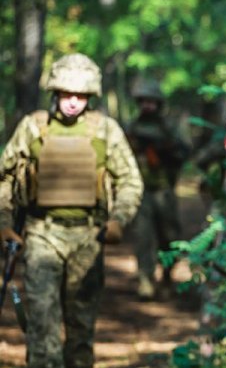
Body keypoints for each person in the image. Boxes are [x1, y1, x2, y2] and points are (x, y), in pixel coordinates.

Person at [0, 53, 143, 368]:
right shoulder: (33, 127)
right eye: (67, 94)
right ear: (55, 93)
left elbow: (130, 180)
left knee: (81, 328)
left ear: (90, 97)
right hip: (41, 234)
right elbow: (5, 178)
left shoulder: (106, 130)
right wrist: (5, 224)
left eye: (81, 95)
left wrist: (119, 220)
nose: (73, 102)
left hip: (88, 237)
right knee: (42, 324)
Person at [126, 78, 190, 300]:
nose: (147, 106)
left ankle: (167, 277)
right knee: (143, 236)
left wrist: (165, 150)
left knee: (168, 236)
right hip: (141, 190)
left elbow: (184, 153)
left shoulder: (170, 128)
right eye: (143, 101)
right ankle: (145, 279)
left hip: (164, 190)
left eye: (151, 102)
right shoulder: (132, 127)